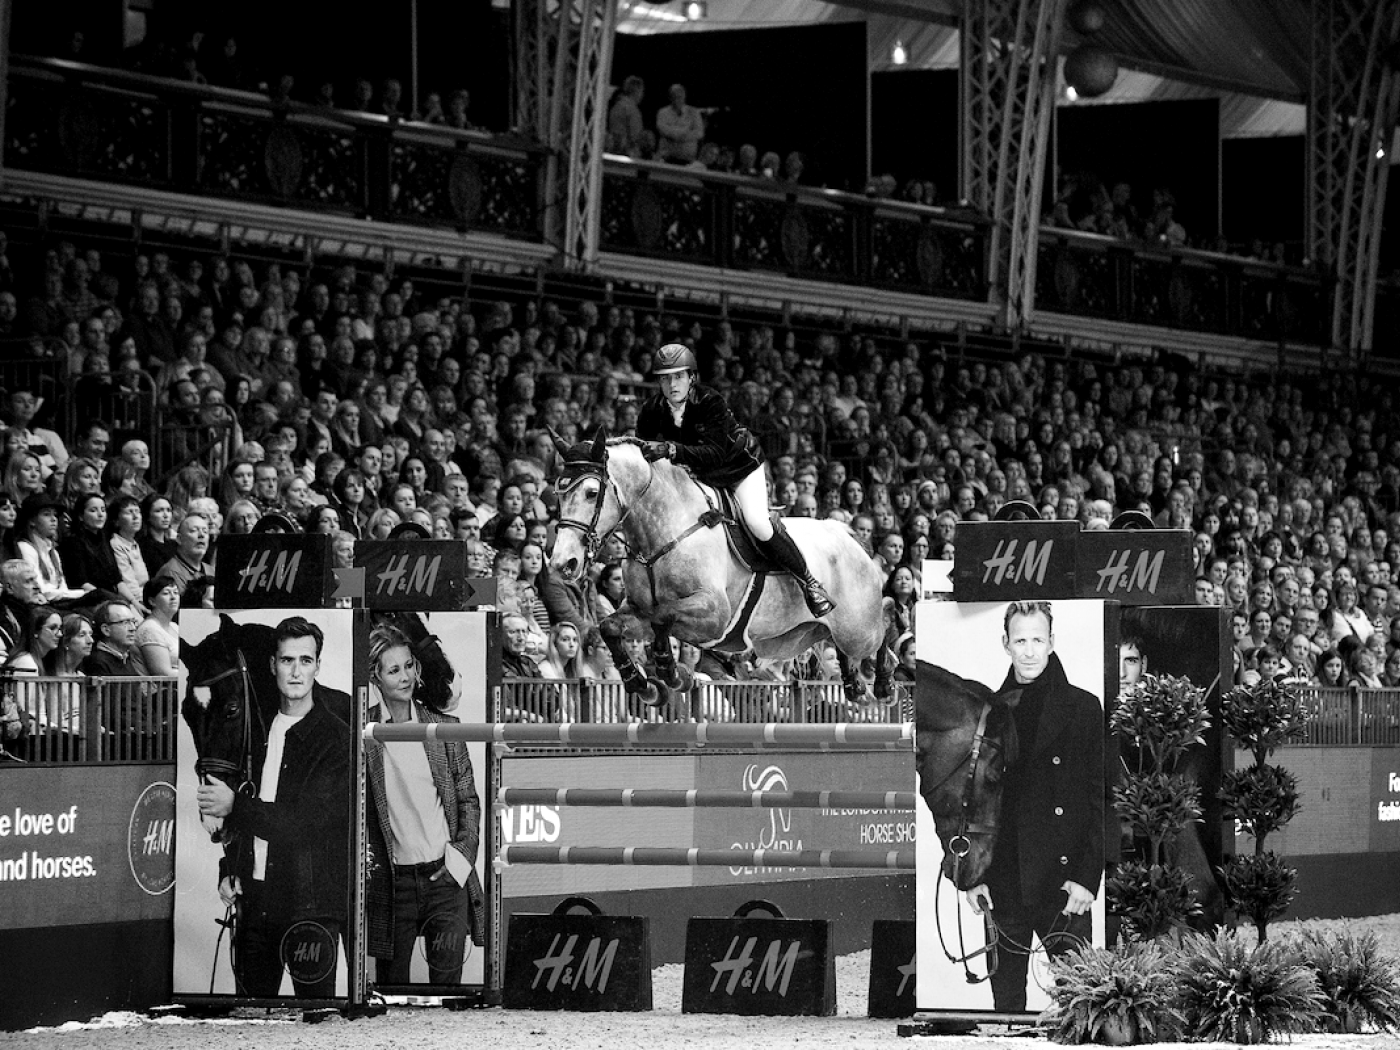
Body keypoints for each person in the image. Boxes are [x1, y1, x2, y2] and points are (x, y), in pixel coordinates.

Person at [196, 617, 352, 998]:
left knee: (318, 1022)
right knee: (249, 1020)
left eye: (305, 660)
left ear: (318, 665)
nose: (296, 671)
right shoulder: (256, 730)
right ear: (272, 665)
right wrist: (229, 867)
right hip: (255, 903)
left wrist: (235, 804)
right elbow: (248, 814)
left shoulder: (335, 737)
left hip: (310, 905)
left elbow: (306, 824)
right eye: (287, 660)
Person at [964, 600, 1102, 1013]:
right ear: (1005, 643)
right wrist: (970, 875)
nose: (1029, 650)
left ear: (1051, 642)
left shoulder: (1083, 707)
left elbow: (1101, 799)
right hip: (1003, 880)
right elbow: (968, 803)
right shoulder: (986, 711)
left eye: (1037, 640)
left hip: (1065, 886)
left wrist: (1086, 877)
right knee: (1007, 1009)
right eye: (1020, 640)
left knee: (1082, 1009)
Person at [636, 343, 834, 617]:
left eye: (678, 376)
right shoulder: (651, 410)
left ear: (691, 378)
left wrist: (671, 449)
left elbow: (715, 453)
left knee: (757, 523)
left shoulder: (710, 402)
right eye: (665, 378)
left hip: (737, 467)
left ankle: (809, 583)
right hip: (694, 474)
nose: (672, 384)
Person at [363, 622, 486, 985]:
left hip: (445, 879)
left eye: (409, 666)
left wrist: (459, 861)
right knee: (390, 991)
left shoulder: (444, 728)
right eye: (393, 670)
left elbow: (469, 801)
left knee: (448, 992)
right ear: (376, 677)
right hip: (393, 883)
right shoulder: (364, 732)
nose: (404, 677)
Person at [655, 83, 704, 164]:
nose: (677, 100)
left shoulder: (694, 112)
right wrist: (685, 131)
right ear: (670, 97)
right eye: (674, 97)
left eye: (680, 97)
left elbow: (699, 132)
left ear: (684, 97)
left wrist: (679, 135)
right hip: (666, 157)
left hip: (688, 159)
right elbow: (663, 130)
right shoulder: (662, 112)